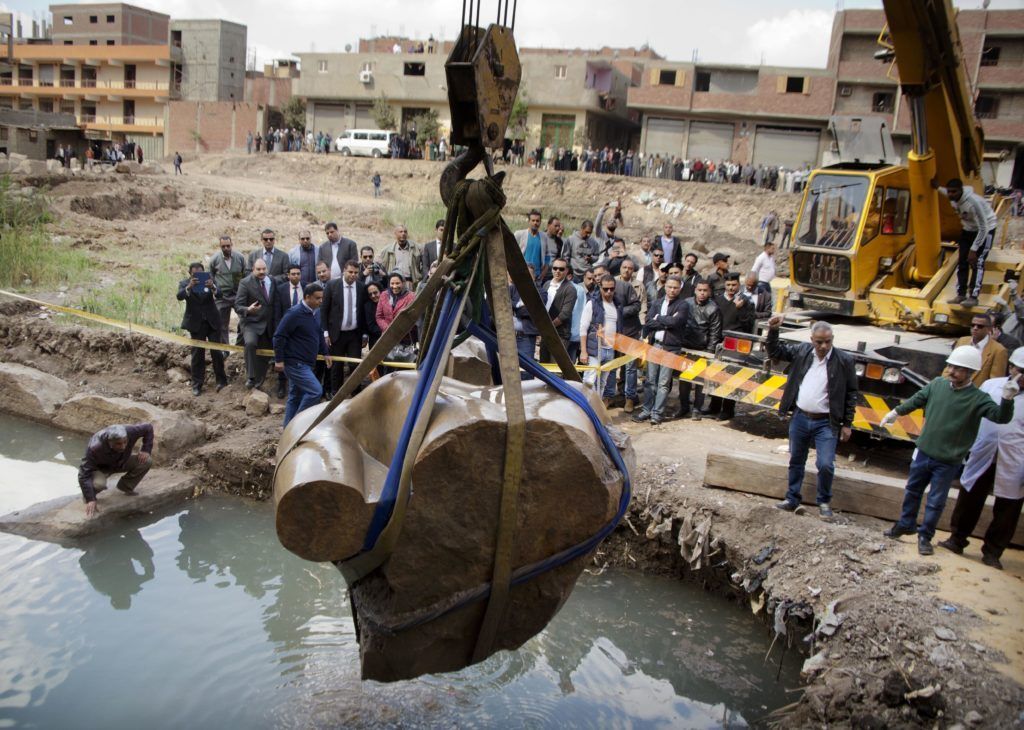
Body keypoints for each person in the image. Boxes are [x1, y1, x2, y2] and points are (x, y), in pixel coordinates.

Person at [881, 345, 1017, 554]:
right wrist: (896, 412)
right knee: (912, 491)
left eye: (958, 368)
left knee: (936, 501)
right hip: (925, 451)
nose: (951, 371)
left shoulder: (978, 399)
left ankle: (925, 536)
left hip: (947, 460)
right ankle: (905, 524)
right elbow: (918, 399)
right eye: (951, 366)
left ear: (971, 372)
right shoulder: (937, 385)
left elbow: (1001, 417)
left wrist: (1007, 400)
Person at [938, 347, 1024, 569]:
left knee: (1008, 507)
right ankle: (957, 539)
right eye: (1019, 370)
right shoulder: (991, 386)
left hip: (1015, 459)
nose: (1021, 376)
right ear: (1011, 367)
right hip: (983, 451)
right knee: (970, 496)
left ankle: (993, 552)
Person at [768, 317, 858, 519]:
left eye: (827, 341)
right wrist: (773, 330)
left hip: (826, 422)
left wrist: (847, 424)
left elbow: (851, 393)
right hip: (800, 417)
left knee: (825, 464)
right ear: (811, 340)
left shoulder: (843, 361)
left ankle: (824, 502)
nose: (823, 346)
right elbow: (775, 352)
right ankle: (792, 499)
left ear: (832, 339)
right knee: (796, 460)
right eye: (819, 342)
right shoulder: (802, 352)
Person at [632, 276, 689, 425]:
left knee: (663, 382)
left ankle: (657, 414)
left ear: (680, 288)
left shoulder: (683, 305)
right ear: (665, 287)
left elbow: (676, 322)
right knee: (650, 381)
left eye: (675, 287)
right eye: (669, 287)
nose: (672, 290)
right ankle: (646, 410)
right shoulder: (657, 303)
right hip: (654, 345)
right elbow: (648, 321)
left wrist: (659, 319)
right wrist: (665, 321)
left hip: (671, 348)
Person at [273, 282, 330, 426]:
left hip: (306, 362)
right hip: (295, 363)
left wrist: (326, 353)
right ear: (307, 297)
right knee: (315, 391)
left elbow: (318, 332)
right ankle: (297, 425)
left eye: (321, 298)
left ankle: (287, 430)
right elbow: (279, 336)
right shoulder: (294, 313)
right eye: (317, 298)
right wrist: (279, 360)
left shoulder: (315, 312)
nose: (320, 301)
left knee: (295, 396)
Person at [938, 178, 998, 308]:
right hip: (968, 229)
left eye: (954, 192)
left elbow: (984, 227)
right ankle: (961, 294)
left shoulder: (972, 202)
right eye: (949, 192)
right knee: (962, 262)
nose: (950, 195)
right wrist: (937, 186)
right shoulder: (953, 198)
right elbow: (944, 191)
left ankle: (973, 296)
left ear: (961, 191)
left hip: (985, 229)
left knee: (977, 262)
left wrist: (974, 249)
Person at [78, 423, 154, 517]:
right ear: (110, 442)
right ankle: (89, 495)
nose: (123, 446)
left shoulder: (130, 431)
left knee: (146, 461)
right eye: (118, 444)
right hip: (102, 468)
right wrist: (90, 499)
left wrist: (146, 449)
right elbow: (83, 474)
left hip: (121, 461)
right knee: (98, 484)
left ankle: (126, 486)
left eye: (125, 442)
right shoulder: (95, 447)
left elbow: (148, 428)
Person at [177, 262, 227, 396]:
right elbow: (179, 296)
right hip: (196, 323)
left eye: (201, 274)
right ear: (190, 274)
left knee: (217, 352)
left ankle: (221, 381)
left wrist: (213, 287)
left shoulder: (210, 281)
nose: (198, 277)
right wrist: (189, 287)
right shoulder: (184, 283)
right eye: (195, 274)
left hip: (212, 321)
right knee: (197, 354)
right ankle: (197, 384)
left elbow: (220, 295)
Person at [676, 281, 722, 419]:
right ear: (695, 290)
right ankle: (684, 407)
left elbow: (715, 333)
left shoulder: (713, 309)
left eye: (705, 290)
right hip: (685, 346)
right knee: (684, 380)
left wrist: (709, 352)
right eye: (699, 290)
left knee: (700, 382)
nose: (702, 293)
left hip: (703, 349)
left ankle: (697, 409)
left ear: (709, 292)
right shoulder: (687, 303)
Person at [322, 260, 367, 398]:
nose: (353, 275)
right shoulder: (332, 285)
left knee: (355, 365)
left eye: (356, 273)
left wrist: (364, 334)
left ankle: (356, 394)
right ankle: (337, 394)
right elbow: (324, 310)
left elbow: (363, 312)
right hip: (336, 334)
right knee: (336, 366)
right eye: (350, 272)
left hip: (354, 334)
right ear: (344, 270)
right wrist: (325, 333)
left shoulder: (361, 287)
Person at [235, 258, 278, 389]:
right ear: (253, 269)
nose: (261, 272)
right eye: (258, 269)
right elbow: (237, 305)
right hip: (251, 323)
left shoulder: (272, 281)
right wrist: (248, 309)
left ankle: (259, 381)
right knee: (250, 343)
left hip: (269, 324)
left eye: (264, 269)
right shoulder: (245, 283)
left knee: (264, 354)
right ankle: (251, 376)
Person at [580, 275, 623, 405]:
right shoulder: (592, 303)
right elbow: (583, 327)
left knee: (603, 382)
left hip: (610, 350)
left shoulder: (618, 304)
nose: (609, 292)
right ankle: (586, 408)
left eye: (611, 289)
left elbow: (619, 327)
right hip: (594, 349)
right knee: (589, 381)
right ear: (600, 287)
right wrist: (583, 351)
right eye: (605, 289)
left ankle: (596, 408)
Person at [949, 312, 1007, 386]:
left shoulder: (999, 350)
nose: (975, 328)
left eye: (980, 326)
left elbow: (995, 382)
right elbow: (949, 366)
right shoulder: (962, 341)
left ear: (989, 329)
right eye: (972, 325)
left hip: (977, 393)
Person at [208, 235, 247, 345]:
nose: (226, 248)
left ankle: (239, 346)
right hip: (222, 296)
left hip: (238, 295)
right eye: (223, 246)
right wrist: (215, 290)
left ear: (232, 245)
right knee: (221, 324)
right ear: (220, 246)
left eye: (228, 246)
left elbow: (246, 275)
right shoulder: (214, 259)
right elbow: (210, 276)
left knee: (245, 319)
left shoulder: (240, 258)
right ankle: (225, 349)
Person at [540, 258, 578, 362]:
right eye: (555, 268)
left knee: (556, 369)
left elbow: (565, 314)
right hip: (546, 333)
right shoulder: (547, 284)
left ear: (566, 271)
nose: (557, 271)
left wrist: (549, 327)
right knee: (543, 367)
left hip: (560, 335)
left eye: (561, 269)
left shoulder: (570, 288)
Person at [514, 210, 548, 284]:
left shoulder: (544, 237)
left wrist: (542, 275)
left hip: (537, 276)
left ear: (540, 222)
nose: (535, 223)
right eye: (533, 220)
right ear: (529, 221)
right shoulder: (519, 234)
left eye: (537, 221)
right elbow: (511, 253)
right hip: (521, 274)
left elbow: (547, 257)